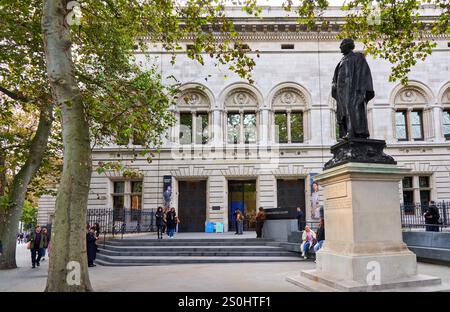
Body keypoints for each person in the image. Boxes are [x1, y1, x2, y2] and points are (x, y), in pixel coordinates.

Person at [332, 38, 374, 139]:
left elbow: (363, 73)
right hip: (342, 91)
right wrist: (334, 85)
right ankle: (347, 131)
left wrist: (361, 90)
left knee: (352, 109)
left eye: (342, 45)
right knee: (344, 111)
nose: (340, 47)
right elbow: (335, 77)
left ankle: (353, 132)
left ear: (348, 45)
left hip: (353, 89)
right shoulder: (341, 61)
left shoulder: (358, 57)